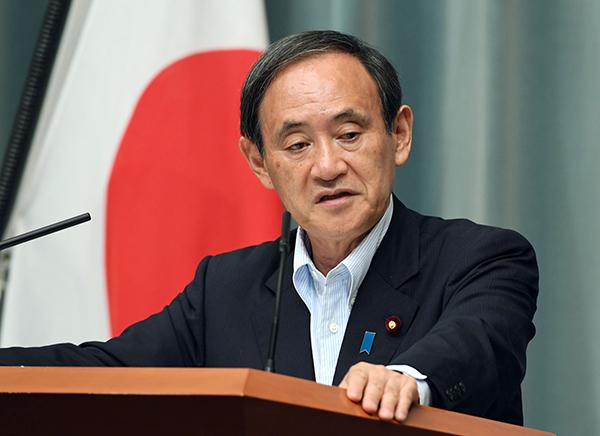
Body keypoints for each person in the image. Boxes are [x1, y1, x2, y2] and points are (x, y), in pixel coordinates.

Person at [0, 30, 538, 425]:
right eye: (297, 145)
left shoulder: (483, 258)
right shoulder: (224, 290)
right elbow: (105, 368)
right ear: (259, 162)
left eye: (349, 135)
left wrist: (404, 379)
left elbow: (477, 343)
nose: (326, 166)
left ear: (398, 135)